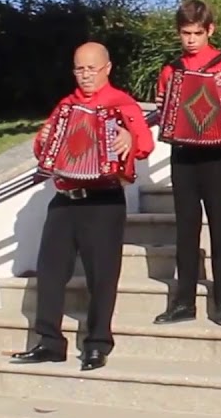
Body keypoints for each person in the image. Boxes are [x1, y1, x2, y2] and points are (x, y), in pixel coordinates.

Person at [12, 42, 154, 372]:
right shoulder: (66, 106)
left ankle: (97, 343)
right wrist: (43, 137)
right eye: (79, 69)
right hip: (65, 199)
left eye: (91, 68)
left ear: (107, 68)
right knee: (49, 271)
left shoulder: (121, 104)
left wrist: (130, 140)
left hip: (104, 200)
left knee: (101, 276)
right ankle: (48, 341)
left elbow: (145, 143)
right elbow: (43, 148)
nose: (85, 75)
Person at [153, 0, 221, 327]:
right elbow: (164, 111)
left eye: (197, 33)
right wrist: (163, 106)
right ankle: (183, 301)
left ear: (210, 30)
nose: (191, 40)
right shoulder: (172, 70)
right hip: (183, 154)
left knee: (220, 229)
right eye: (185, 33)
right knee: (185, 229)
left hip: (216, 155)